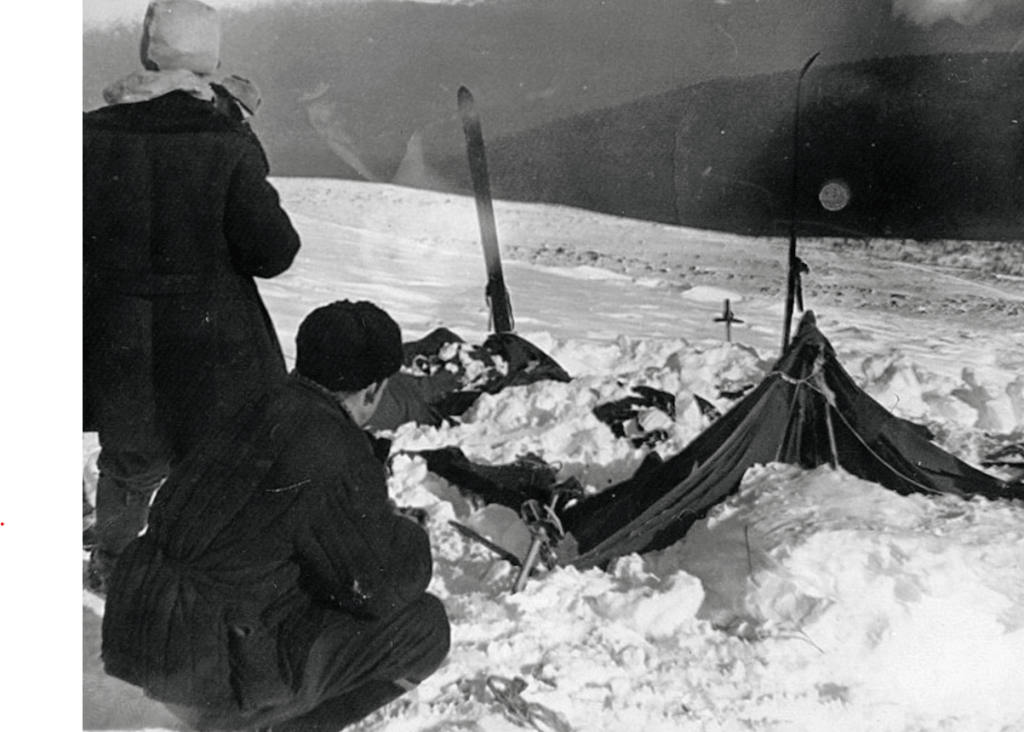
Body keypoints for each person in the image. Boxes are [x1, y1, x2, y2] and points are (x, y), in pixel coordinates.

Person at [101, 300, 451, 732]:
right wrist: (410, 534)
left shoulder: (249, 403)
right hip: (205, 664)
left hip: (136, 626)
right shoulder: (333, 445)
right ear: (373, 390)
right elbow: (380, 587)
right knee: (424, 627)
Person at [83, 0, 301, 590]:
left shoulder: (87, 134)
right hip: (213, 343)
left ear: (147, 51)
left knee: (129, 461)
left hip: (118, 340)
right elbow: (274, 253)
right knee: (213, 462)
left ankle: (114, 566)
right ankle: (202, 573)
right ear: (212, 58)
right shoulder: (226, 138)